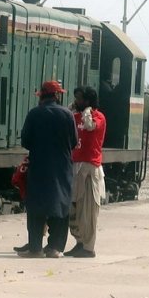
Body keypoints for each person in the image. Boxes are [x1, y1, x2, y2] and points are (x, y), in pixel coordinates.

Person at [18, 81, 78, 258]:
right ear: (57, 95)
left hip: (40, 166)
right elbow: (74, 141)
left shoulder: (34, 113)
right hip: (62, 167)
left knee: (36, 206)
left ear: (42, 96)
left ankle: (35, 248)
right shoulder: (68, 114)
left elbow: (25, 141)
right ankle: (55, 248)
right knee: (60, 205)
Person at [65, 86, 106, 258]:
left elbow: (89, 127)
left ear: (88, 101)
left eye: (80, 98)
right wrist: (69, 110)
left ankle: (88, 248)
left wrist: (87, 111)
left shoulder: (98, 117)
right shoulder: (75, 116)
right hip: (74, 167)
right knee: (73, 210)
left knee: (87, 211)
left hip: (90, 169)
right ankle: (79, 242)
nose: (77, 101)